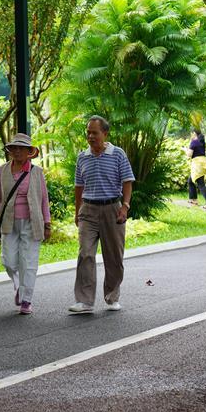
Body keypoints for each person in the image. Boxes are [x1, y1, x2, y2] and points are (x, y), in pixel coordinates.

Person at [69, 116, 135, 314]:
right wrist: (77, 211)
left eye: (94, 133)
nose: (90, 136)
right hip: (88, 210)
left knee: (113, 256)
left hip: (112, 209)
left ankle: (112, 296)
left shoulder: (117, 154)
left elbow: (127, 182)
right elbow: (79, 187)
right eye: (88, 132)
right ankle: (84, 301)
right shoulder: (82, 157)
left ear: (105, 134)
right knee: (85, 254)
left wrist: (124, 207)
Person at [0, 133, 52, 315]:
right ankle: (18, 285)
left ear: (28, 152)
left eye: (21, 148)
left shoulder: (37, 172)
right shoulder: (2, 171)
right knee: (8, 260)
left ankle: (26, 299)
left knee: (29, 262)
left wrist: (47, 224)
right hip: (9, 221)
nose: (17, 151)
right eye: (14, 148)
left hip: (33, 223)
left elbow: (43, 200)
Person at [186, 129, 206, 209]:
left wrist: (185, 150)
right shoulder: (202, 142)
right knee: (190, 180)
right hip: (203, 163)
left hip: (197, 164)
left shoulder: (194, 142)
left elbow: (189, 154)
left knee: (200, 183)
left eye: (191, 133)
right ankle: (193, 199)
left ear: (194, 133)